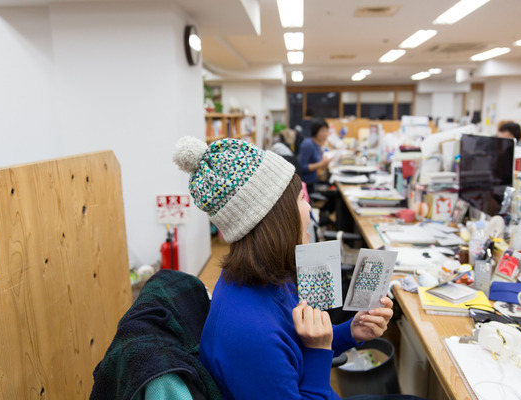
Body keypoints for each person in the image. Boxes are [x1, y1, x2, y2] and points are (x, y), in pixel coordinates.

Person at [172, 137, 422, 400]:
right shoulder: (253, 336)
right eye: (301, 198)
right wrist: (318, 351)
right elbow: (294, 354)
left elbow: (293, 347)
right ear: (276, 218)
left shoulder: (265, 276)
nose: (309, 206)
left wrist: (350, 332)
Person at [298, 118, 332, 192]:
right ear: (315, 131)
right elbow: (301, 167)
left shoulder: (318, 144)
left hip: (315, 180)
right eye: (322, 131)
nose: (325, 134)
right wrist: (321, 164)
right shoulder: (308, 144)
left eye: (326, 131)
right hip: (308, 184)